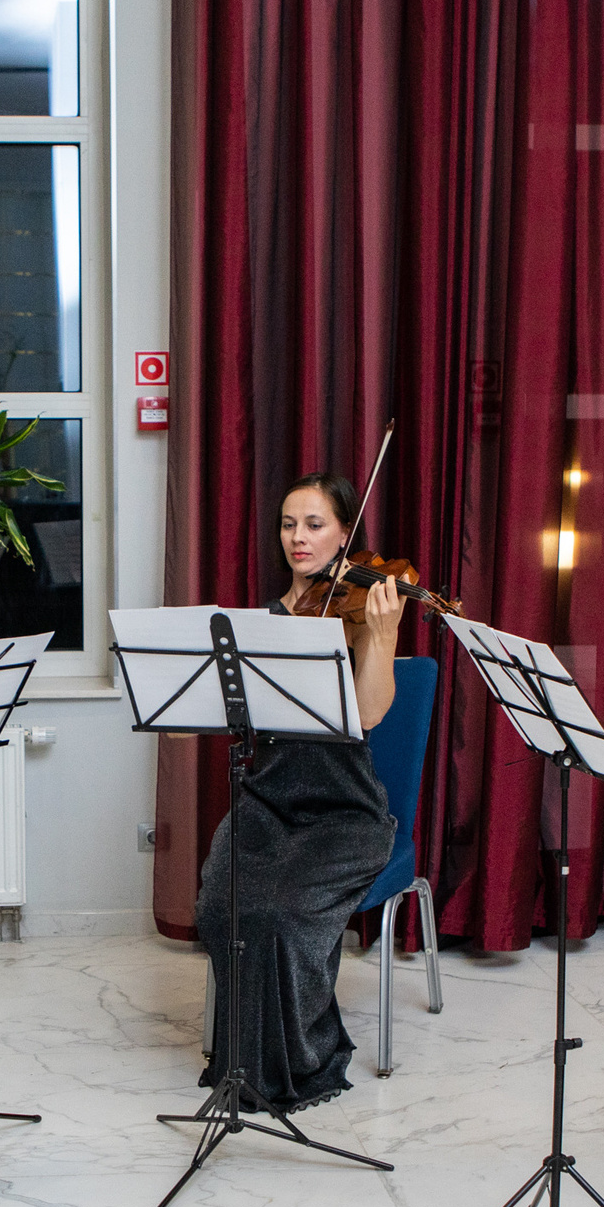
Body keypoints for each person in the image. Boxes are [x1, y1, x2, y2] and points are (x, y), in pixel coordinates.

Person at [191, 473, 405, 1112]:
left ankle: (301, 1056)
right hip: (266, 802)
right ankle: (242, 1056)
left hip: (344, 811)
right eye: (288, 524)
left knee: (283, 914)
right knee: (221, 905)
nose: (298, 537)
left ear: (345, 534)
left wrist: (383, 635)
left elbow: (368, 714)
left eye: (314, 524)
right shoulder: (257, 625)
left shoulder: (357, 614)